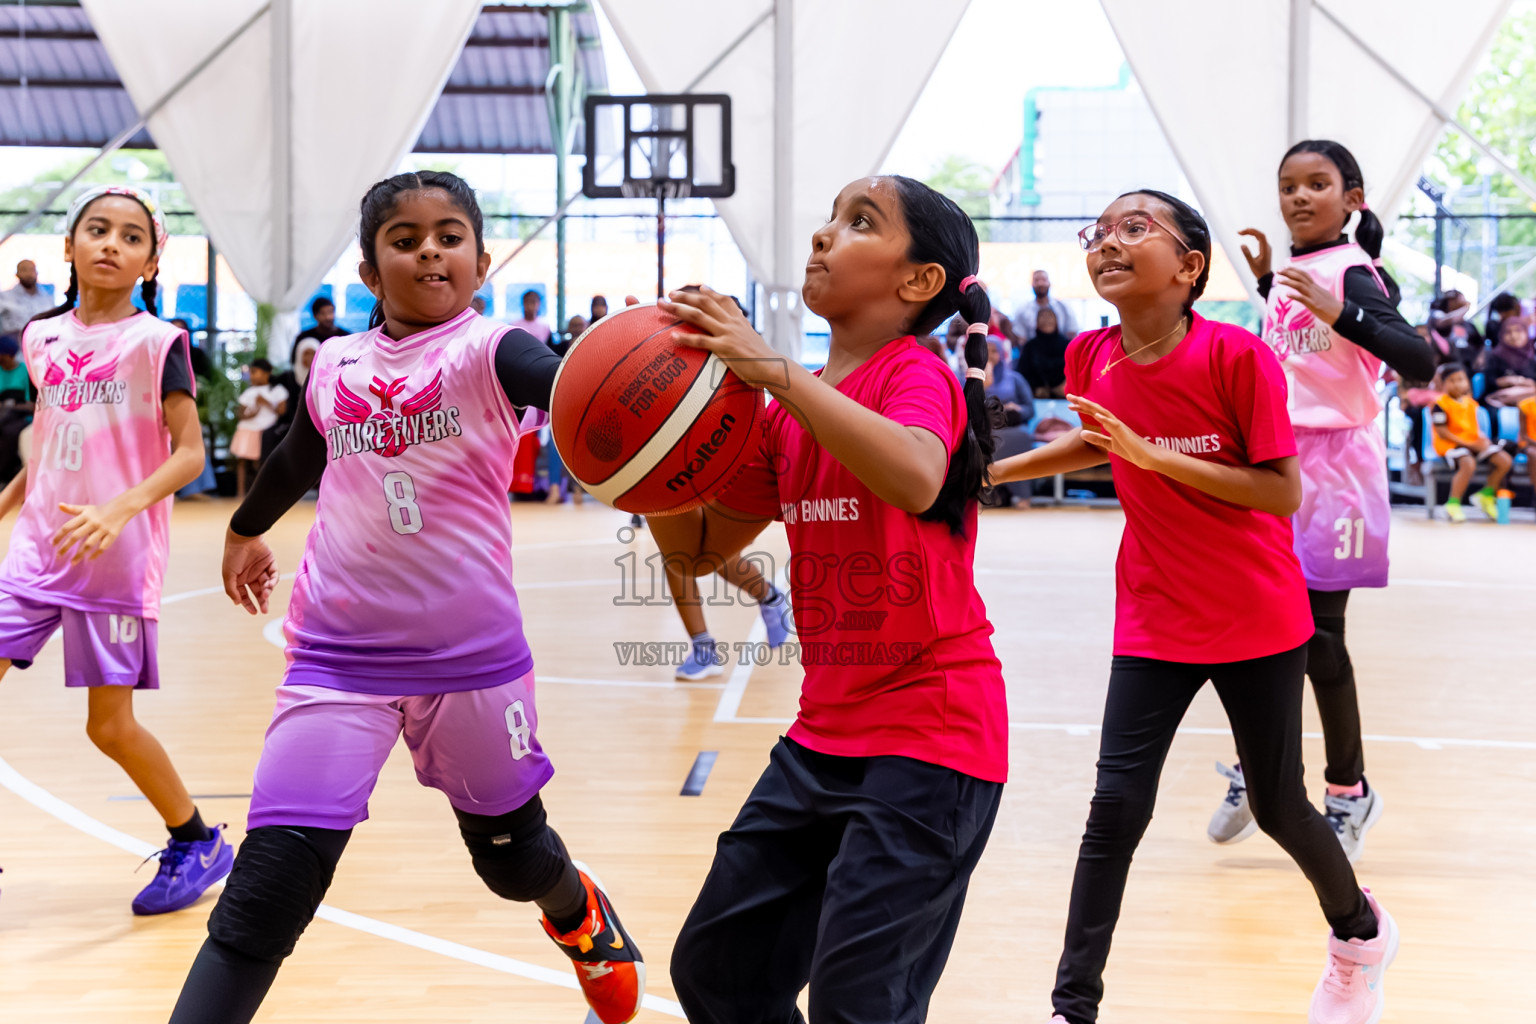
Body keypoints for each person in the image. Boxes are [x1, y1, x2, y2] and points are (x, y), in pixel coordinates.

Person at [167, 171, 643, 1024]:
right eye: (406, 238)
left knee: (508, 859)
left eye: (450, 235)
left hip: (471, 660)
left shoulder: (491, 352)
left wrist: (661, 383)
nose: (430, 249)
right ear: (367, 269)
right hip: (334, 657)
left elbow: (573, 384)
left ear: (482, 259)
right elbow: (299, 455)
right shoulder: (336, 363)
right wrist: (244, 527)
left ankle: (579, 915)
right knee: (265, 896)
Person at [993, 190, 1394, 1024]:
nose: (1108, 241)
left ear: (1189, 268)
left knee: (1282, 806)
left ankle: (1359, 935)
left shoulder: (1236, 357)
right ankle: (1073, 1008)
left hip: (1255, 615)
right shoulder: (1090, 355)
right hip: (1152, 614)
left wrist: (1152, 457)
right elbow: (1096, 440)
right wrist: (986, 475)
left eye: (1135, 228)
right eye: (1098, 230)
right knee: (1115, 809)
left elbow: (1280, 491)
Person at [650, 175, 1007, 1023]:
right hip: (825, 736)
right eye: (829, 219)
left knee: (857, 1004)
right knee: (718, 971)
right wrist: (649, 454)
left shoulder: (913, 376)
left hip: (933, 737)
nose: (822, 236)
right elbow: (700, 550)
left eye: (858, 223)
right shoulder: (783, 414)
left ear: (917, 283)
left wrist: (772, 372)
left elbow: (918, 475)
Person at [0, 185, 230, 914]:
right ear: (67, 247)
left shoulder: (157, 344)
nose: (110, 244)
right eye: (96, 230)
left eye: (130, 236)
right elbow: (50, 439)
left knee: (109, 726)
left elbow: (190, 453)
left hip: (116, 557)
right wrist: (8, 499)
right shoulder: (40, 336)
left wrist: (120, 507)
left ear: (151, 260)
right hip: (38, 548)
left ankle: (195, 840)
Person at [1217, 139, 1435, 861]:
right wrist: (1262, 284)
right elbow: (1305, 355)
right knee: (1262, 628)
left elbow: (1420, 359)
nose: (1299, 197)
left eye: (1317, 184)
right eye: (1288, 186)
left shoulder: (1354, 275)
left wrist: (1345, 313)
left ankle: (1348, 791)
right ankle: (1264, 769)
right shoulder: (1298, 271)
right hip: (1280, 463)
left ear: (1353, 198)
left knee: (1319, 640)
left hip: (1335, 472)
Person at [1431, 363, 1513, 522]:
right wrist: (1469, 444)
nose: (1457, 383)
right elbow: (1442, 432)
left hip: (1472, 443)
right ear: (1443, 384)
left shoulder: (1471, 404)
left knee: (1504, 460)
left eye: (1460, 379)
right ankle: (1453, 504)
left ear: (1467, 381)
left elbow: (1474, 428)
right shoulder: (1440, 404)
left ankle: (1486, 494)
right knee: (1468, 463)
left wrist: (1483, 440)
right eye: (1452, 380)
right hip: (1450, 446)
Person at [229, 358, 287, 499]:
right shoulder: (249, 392)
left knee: (259, 462)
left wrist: (266, 402)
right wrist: (251, 415)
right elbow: (240, 413)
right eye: (251, 373)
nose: (252, 376)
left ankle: (258, 492)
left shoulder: (277, 390)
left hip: (264, 429)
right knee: (242, 461)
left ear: (267, 373)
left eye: (255, 372)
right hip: (246, 428)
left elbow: (281, 411)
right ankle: (241, 492)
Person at [1018, 305, 1073, 398]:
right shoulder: (1030, 347)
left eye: (1049, 316)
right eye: (1042, 316)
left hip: (1065, 396)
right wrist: (1035, 388)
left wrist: (1067, 385)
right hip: (1037, 397)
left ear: (1056, 321)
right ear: (1036, 323)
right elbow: (1022, 373)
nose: (1046, 320)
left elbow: (1074, 369)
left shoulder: (1067, 345)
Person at [1481, 316, 1536, 408]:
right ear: (1502, 335)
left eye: (1518, 331)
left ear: (1526, 332)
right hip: (1502, 402)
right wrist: (1510, 381)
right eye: (1508, 332)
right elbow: (1489, 382)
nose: (1513, 336)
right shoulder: (1495, 356)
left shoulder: (1532, 355)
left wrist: (1529, 383)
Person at [0, 333, 34, 480]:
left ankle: (7, 474)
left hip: (21, 416)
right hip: (2, 414)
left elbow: (32, 405)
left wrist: (12, 406)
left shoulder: (25, 371)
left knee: (9, 430)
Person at [1013, 268, 1077, 342]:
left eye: (1043, 280)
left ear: (1049, 283)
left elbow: (1072, 334)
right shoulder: (1023, 311)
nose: (1040, 284)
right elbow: (1021, 339)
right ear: (1032, 284)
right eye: (1036, 280)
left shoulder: (1064, 308)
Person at [0, 259, 56, 335]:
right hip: (17, 341)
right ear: (17, 274)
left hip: (45, 338)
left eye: (32, 270)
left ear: (37, 273)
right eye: (24, 270)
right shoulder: (6, 297)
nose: (29, 274)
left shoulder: (48, 295)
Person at [291, 296, 344, 364]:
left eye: (330, 312)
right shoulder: (304, 337)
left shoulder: (344, 337)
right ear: (315, 316)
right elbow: (294, 360)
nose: (327, 317)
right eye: (322, 313)